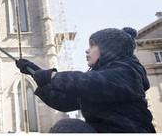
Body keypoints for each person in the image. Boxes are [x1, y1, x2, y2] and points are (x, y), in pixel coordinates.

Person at [16, 27, 156, 133]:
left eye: (93, 45)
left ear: (108, 48)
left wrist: (52, 76)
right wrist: (35, 73)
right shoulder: (97, 79)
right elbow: (63, 102)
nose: (87, 50)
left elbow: (91, 83)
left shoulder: (128, 72)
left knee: (69, 127)